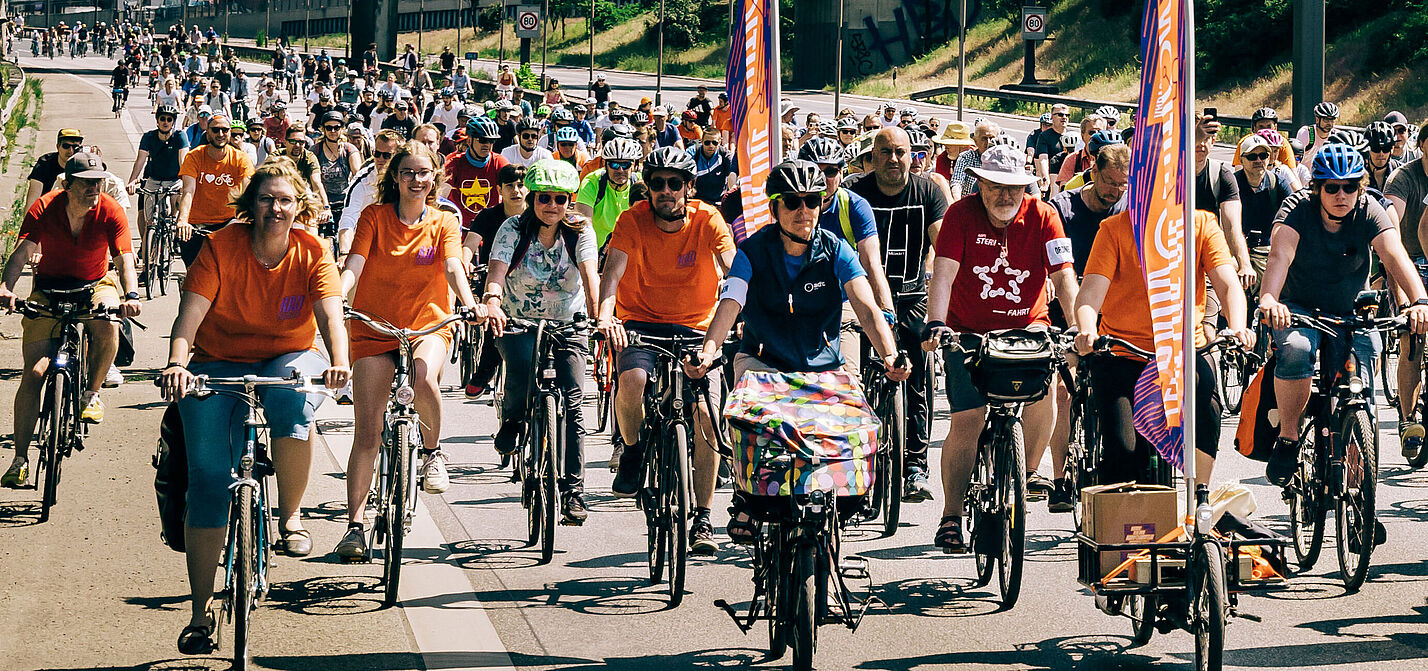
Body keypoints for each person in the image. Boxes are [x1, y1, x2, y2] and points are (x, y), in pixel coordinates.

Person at [157, 160, 350, 655]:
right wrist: (178, 362)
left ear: (299, 206)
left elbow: (331, 313)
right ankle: (201, 614)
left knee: (293, 407)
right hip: (217, 359)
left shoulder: (312, 250)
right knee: (206, 480)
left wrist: (340, 361)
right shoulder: (220, 247)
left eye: (285, 200)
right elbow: (189, 315)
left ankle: (290, 518)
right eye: (265, 199)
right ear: (250, 205)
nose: (275, 208)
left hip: (287, 352)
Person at [921, 144, 1079, 551]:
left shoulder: (1044, 215)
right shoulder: (960, 215)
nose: (1006, 196)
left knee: (1045, 391)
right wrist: (936, 323)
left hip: (1028, 325)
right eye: (996, 187)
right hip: (967, 330)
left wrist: (1080, 326)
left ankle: (1024, 474)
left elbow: (1063, 277)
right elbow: (943, 276)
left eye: (1015, 188)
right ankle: (951, 514)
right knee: (968, 419)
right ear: (979, 185)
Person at [334, 143, 484, 559]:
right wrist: (338, 295)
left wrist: (468, 303)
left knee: (423, 375)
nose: (416, 180)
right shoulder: (374, 218)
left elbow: (453, 266)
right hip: (373, 326)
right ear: (395, 178)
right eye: (408, 173)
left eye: (424, 173)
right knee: (367, 431)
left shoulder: (444, 222)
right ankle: (355, 525)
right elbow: (355, 264)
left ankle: (433, 453)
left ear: (435, 177)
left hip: (427, 326)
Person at [1260, 143, 1428, 487]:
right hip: (1299, 307)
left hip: (1351, 307)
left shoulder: (1371, 210)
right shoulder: (1297, 209)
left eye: (1350, 186)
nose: (1342, 194)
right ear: (1316, 188)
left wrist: (1420, 301)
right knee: (1295, 350)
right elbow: (1280, 255)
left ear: (1360, 188)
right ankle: (1289, 437)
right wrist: (1269, 299)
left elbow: (1395, 256)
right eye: (1332, 187)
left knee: (1362, 378)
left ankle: (1358, 498)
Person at [598, 147, 736, 554]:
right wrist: (607, 314)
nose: (665, 191)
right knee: (634, 380)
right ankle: (634, 450)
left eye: (674, 183)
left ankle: (705, 516)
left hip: (697, 328)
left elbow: (732, 264)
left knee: (705, 419)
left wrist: (749, 308)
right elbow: (614, 270)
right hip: (640, 321)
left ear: (688, 188)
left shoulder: (708, 218)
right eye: (657, 183)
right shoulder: (632, 219)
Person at [1074, 193, 1250, 488]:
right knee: (1124, 452)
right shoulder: (1115, 228)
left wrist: (1238, 327)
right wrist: (1087, 329)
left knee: (1208, 406)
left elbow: (1228, 284)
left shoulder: (1202, 224)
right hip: (1123, 351)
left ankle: (1200, 495)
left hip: (1184, 350)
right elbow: (1091, 292)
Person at [0, 153, 143, 487]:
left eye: (99, 182)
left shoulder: (110, 209)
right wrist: (6, 287)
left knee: (109, 322)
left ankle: (91, 393)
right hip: (49, 289)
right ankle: (20, 459)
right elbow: (21, 251)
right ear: (67, 184)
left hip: (95, 283)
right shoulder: (46, 207)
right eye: (87, 183)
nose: (95, 188)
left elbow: (124, 257)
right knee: (34, 373)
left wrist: (131, 295)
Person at [483, 160, 600, 522]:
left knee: (574, 401)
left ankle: (573, 491)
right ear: (533, 198)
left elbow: (589, 273)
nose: (552, 205)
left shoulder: (580, 230)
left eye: (561, 199)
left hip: (569, 320)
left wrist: (598, 317)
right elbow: (498, 270)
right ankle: (514, 421)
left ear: (570, 200)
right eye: (544, 198)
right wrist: (491, 301)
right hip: (517, 319)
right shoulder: (513, 227)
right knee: (520, 366)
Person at [844, 128, 949, 502]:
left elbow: (945, 245)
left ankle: (916, 466)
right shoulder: (856, 193)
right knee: (856, 377)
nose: (893, 159)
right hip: (864, 299)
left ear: (913, 155)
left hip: (913, 294)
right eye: (885, 152)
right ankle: (858, 459)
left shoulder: (929, 192)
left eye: (900, 151)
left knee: (917, 376)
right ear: (871, 157)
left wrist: (940, 282)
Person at [1384, 124, 1428, 456]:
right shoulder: (1403, 179)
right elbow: (1391, 234)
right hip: (1409, 260)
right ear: (1422, 146)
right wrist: (1399, 291)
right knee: (1412, 339)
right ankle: (1408, 418)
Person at [175, 114, 256, 266]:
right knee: (194, 274)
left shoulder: (241, 158)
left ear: (230, 132)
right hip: (196, 224)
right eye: (216, 130)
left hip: (228, 223)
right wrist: (182, 221)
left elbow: (248, 192)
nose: (220, 134)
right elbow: (188, 190)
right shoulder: (194, 157)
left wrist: (251, 219)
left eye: (225, 130)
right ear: (208, 132)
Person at [127, 104, 190, 267]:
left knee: (175, 205)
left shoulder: (180, 136)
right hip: (153, 180)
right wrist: (133, 180)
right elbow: (140, 160)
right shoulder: (149, 137)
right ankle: (149, 264)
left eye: (169, 119)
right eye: (162, 118)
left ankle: (174, 229)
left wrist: (184, 182)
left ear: (173, 122)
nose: (166, 122)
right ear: (157, 120)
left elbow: (183, 161)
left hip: (174, 180)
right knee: (150, 223)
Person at [1234, 133, 1293, 291]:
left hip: (1269, 250)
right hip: (1236, 251)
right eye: (1252, 156)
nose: (1258, 161)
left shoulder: (1278, 183)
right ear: (1241, 160)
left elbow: (1295, 215)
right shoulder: (1231, 183)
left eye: (1263, 155)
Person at [338, 129, 405, 258]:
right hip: (368, 242)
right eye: (377, 154)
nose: (380, 159)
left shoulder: (408, 178)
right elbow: (348, 218)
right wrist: (344, 253)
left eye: (387, 155)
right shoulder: (362, 181)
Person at [444, 116, 510, 232]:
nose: (487, 145)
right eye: (482, 140)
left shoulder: (499, 162)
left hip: (489, 228)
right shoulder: (454, 163)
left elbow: (514, 191)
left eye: (491, 141)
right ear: (469, 141)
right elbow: (440, 195)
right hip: (460, 229)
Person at [576, 137, 642, 246]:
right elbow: (584, 227)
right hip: (597, 251)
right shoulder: (592, 183)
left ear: (633, 166)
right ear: (605, 165)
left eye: (626, 165)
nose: (620, 170)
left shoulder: (640, 184)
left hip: (631, 249)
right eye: (614, 165)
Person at [313, 111, 362, 233]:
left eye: (336, 127)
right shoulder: (315, 150)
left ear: (342, 129)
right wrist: (324, 206)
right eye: (329, 128)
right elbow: (315, 181)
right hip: (322, 201)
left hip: (344, 201)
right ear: (323, 129)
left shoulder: (349, 149)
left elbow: (358, 175)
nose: (333, 131)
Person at [24, 129, 86, 208]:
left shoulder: (83, 165)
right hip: (48, 209)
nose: (70, 151)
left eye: (75, 147)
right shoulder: (45, 164)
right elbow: (33, 197)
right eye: (66, 146)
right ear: (58, 147)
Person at [950, 120, 999, 201]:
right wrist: (958, 202)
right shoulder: (966, 157)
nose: (988, 142)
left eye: (992, 138)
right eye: (984, 138)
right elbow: (957, 182)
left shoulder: (1001, 159)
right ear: (976, 141)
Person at [687, 126, 736, 206]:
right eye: (707, 142)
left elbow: (734, 174)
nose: (711, 146)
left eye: (714, 143)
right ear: (701, 141)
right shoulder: (693, 152)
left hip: (719, 200)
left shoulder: (725, 154)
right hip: (698, 199)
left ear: (720, 142)